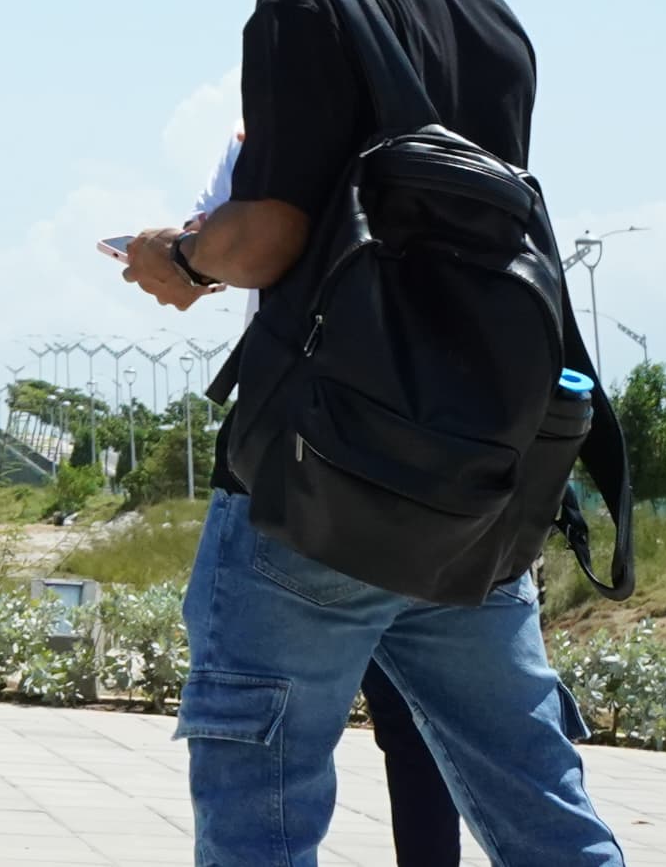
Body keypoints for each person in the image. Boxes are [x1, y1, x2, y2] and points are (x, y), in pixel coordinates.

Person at [120, 0, 623, 867]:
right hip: (469, 490)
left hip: (318, 480)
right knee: (539, 806)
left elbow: (271, 235)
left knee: (262, 808)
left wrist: (181, 257)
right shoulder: (494, 21)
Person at [174, 126, 458, 867]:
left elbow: (228, 246)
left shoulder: (267, 135)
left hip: (310, 458)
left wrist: (173, 255)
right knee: (458, 742)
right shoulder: (452, 121)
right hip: (449, 462)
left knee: (266, 749)